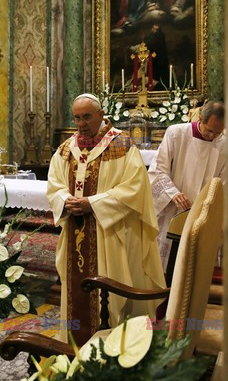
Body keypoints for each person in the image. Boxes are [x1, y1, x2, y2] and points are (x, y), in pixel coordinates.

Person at [47, 93, 166, 345]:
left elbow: (135, 188)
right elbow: (54, 184)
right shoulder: (66, 149)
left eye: (87, 117)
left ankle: (116, 344)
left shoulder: (121, 145)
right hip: (75, 230)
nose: (80, 123)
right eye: (77, 118)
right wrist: (64, 200)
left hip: (111, 232)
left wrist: (93, 203)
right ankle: (75, 340)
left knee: (113, 285)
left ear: (101, 115)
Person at [148, 101, 226, 271]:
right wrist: (173, 193)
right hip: (173, 209)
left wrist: (208, 205)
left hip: (203, 214)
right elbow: (158, 169)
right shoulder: (176, 134)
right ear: (200, 119)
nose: (212, 136)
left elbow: (225, 184)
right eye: (209, 130)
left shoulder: (225, 144)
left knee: (194, 269)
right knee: (168, 265)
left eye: (218, 132)